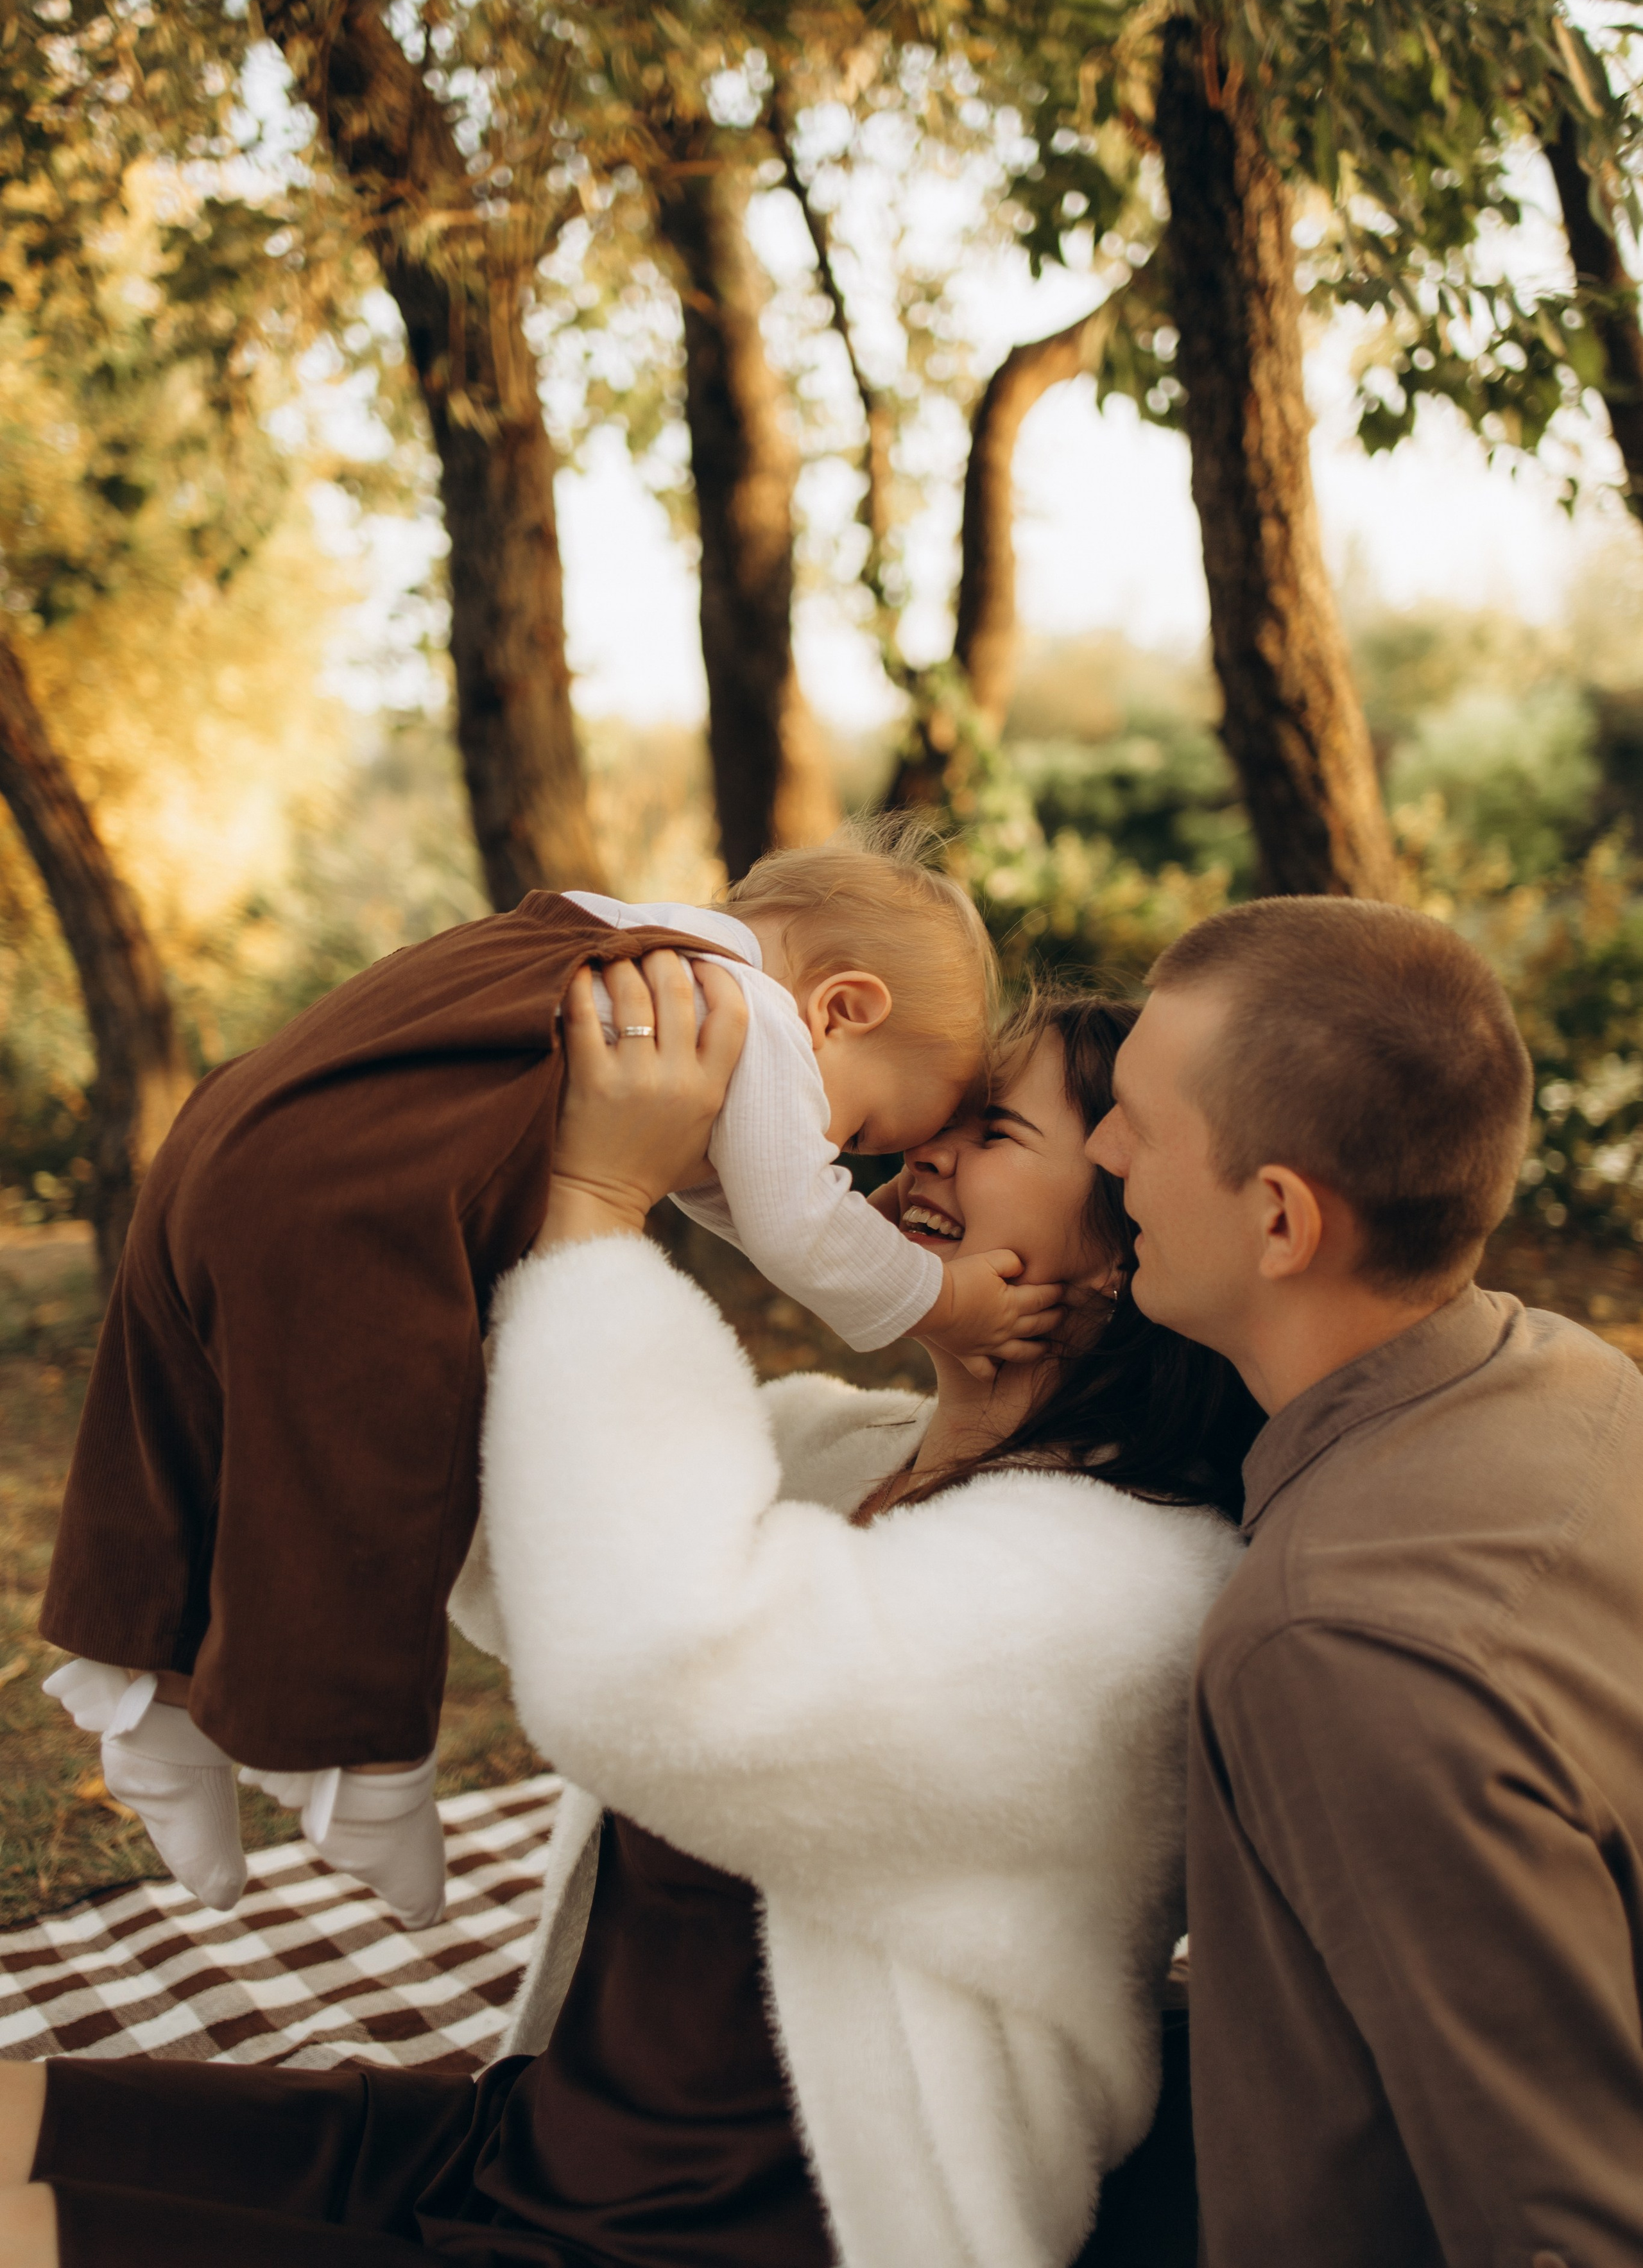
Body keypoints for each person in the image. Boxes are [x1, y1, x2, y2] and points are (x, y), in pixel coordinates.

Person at [0, 965, 1257, 2268]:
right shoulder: (842, 1452)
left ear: (1127, 1254)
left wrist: (601, 1210)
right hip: (535, 2148)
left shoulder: (1120, 1579)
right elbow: (481, 1509)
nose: (919, 1147)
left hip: (748, 2238)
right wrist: (395, 1149)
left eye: (990, 1132)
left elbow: (653, 1667)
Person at [39, 824, 1058, 1931]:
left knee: (190, 1431)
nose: (843, 1155)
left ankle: (154, 1709)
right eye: (857, 1128)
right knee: (376, 1461)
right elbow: (799, 1228)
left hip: (225, 1139)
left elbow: (725, 1194)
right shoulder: (753, 1014)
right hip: (349, 1210)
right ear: (843, 1008)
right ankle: (360, 1765)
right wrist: (946, 1297)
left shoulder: (607, 945)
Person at [1088, 895, 1643, 2268]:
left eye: (1137, 1127)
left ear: (1278, 1222)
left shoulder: (1328, 1644)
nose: (1102, 1154)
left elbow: (1557, 2223)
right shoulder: (1563, 1367)